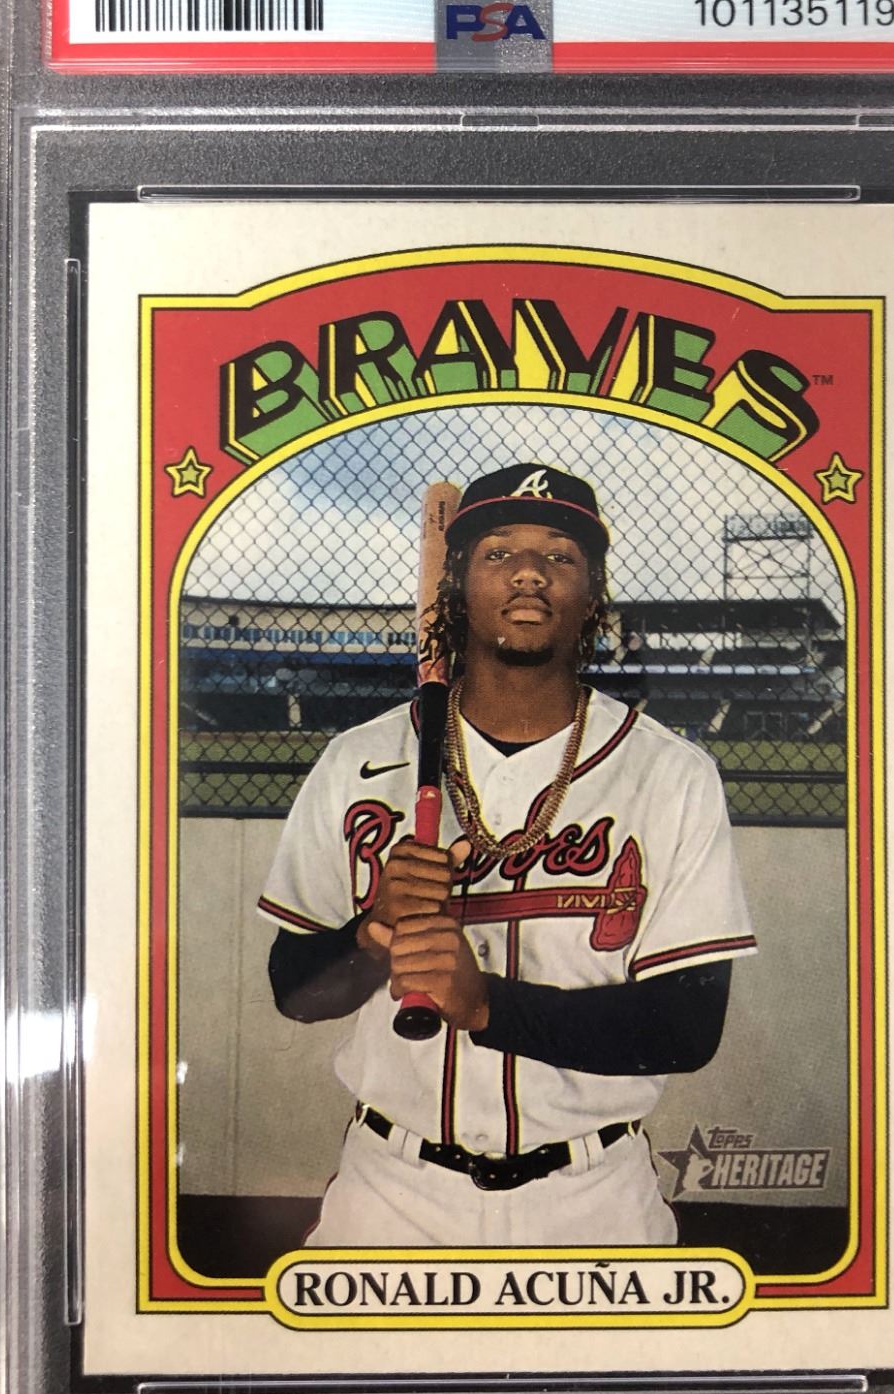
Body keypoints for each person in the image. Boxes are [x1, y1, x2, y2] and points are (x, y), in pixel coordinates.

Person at [259, 463, 756, 1248]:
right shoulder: (356, 761)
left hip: (593, 1198)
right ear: (456, 587)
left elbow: (685, 1028)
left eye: (559, 554)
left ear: (592, 594)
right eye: (498, 553)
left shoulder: (669, 774)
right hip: (390, 1191)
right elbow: (296, 993)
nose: (529, 572)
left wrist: (484, 1005)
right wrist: (371, 932)